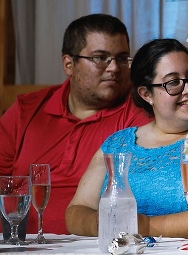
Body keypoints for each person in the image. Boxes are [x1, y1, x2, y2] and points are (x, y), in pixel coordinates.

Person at [0, 14, 149, 234]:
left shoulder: (137, 114)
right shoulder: (26, 110)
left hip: (93, 251)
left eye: (122, 58)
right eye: (100, 58)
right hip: (17, 248)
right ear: (69, 64)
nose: (114, 68)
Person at [66, 39, 188, 238]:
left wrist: (147, 226)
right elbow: (77, 210)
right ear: (146, 94)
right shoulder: (118, 144)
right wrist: (100, 225)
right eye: (173, 82)